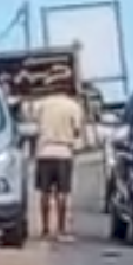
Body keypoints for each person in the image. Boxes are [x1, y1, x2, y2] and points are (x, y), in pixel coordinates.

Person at [34, 84, 83, 241]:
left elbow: (36, 125)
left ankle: (45, 229)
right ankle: (61, 230)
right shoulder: (73, 106)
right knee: (62, 193)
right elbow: (77, 131)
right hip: (64, 152)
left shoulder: (41, 104)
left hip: (44, 151)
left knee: (44, 192)